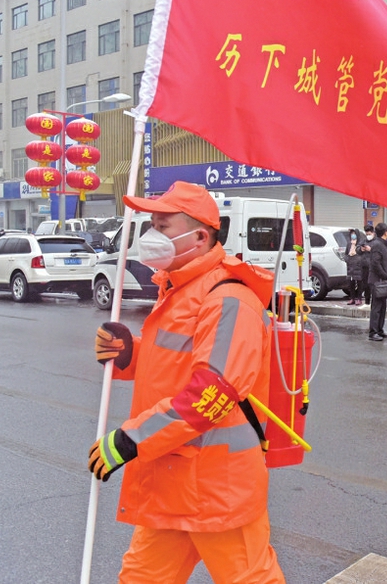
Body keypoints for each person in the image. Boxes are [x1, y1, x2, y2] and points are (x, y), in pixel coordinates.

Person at [89, 181, 285, 582]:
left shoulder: (228, 299)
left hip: (217, 491)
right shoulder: (181, 290)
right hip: (174, 483)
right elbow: (176, 365)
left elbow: (212, 392)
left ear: (199, 236)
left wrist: (132, 439)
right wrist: (131, 356)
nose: (151, 235)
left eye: (163, 225)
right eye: (151, 224)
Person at [367, 223, 387, 341]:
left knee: (382, 306)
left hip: (381, 279)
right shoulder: (377, 244)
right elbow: (375, 263)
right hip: (377, 280)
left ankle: (380, 329)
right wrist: (384, 275)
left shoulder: (382, 244)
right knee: (376, 307)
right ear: (385, 232)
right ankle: (373, 332)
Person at [345, 228, 366, 305]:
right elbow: (346, 254)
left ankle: (359, 298)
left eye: (354, 234)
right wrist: (347, 259)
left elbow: (362, 254)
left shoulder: (360, 243)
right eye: (352, 234)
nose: (353, 235)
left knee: (359, 282)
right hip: (350, 266)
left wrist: (358, 260)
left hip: (358, 266)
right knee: (351, 283)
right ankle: (352, 298)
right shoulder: (349, 244)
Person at [359, 225, 375, 304]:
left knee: (373, 284)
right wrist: (361, 249)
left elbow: (378, 252)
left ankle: (374, 300)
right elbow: (357, 249)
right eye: (367, 234)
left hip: (373, 267)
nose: (368, 236)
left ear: (373, 233)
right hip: (364, 266)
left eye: (369, 234)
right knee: (365, 285)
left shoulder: (376, 241)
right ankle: (367, 300)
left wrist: (370, 249)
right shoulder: (363, 240)